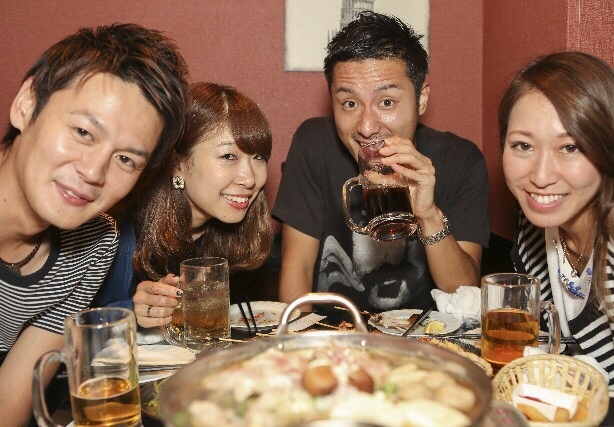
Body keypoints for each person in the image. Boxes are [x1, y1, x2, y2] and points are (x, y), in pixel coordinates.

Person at [0, 23, 188, 425]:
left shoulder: (93, 244)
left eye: (126, 160)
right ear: (26, 105)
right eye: (83, 132)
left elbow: (10, 400)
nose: (93, 171)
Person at [273, 11, 490, 312]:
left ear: (421, 99)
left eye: (386, 102)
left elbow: (464, 293)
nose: (366, 127)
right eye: (350, 103)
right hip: (332, 335)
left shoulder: (461, 160)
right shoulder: (314, 144)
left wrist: (428, 215)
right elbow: (298, 268)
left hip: (426, 336)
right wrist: (298, 341)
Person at [500, 51, 614, 406]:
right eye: (523, 145)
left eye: (570, 147)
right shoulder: (536, 223)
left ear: (610, 149)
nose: (541, 176)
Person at [93, 82, 273, 329]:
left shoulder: (233, 238)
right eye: (228, 156)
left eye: (259, 157)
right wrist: (132, 312)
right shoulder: (117, 233)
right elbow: (70, 328)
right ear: (177, 164)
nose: (250, 179)